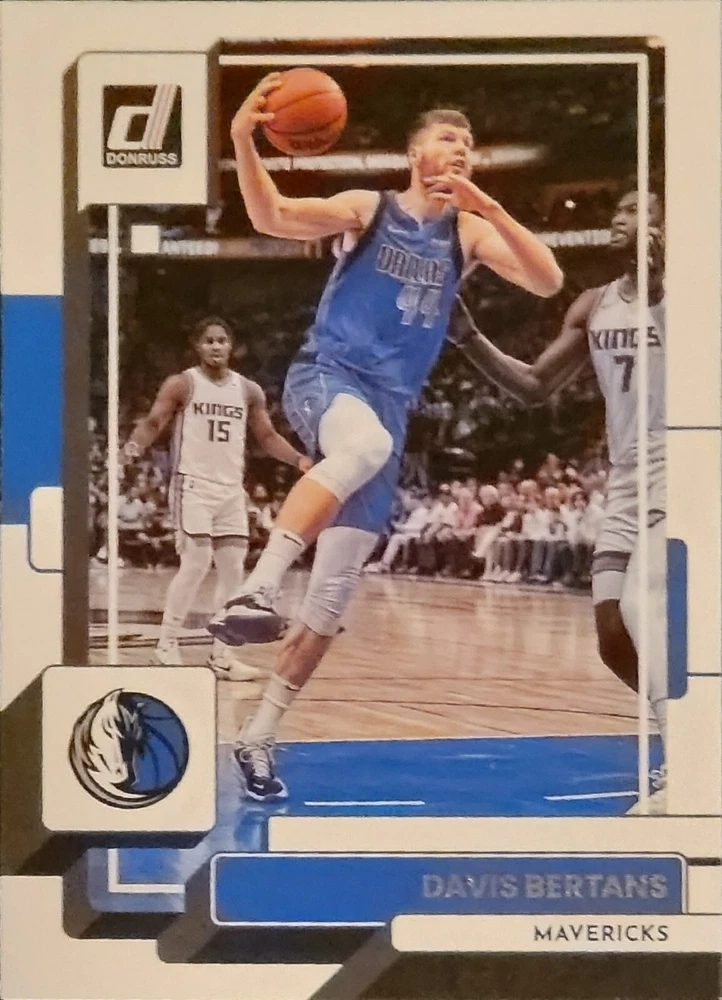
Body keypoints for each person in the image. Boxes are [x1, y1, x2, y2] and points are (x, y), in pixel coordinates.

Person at [210, 73, 563, 800]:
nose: (461, 149)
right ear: (414, 154)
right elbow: (273, 215)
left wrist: (490, 207)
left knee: (332, 599)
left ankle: (258, 737)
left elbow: (548, 282)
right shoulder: (369, 209)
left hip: (390, 411)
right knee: (361, 446)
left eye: (469, 143)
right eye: (447, 138)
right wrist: (244, 140)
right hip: (328, 375)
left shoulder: (468, 232)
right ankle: (257, 586)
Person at [451, 185, 667, 812]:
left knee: (645, 610)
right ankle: (694, 726)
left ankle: (685, 760)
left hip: (684, 469)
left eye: (638, 210)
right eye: (620, 209)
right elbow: (534, 386)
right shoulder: (592, 304)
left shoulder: (690, 289)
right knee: (612, 636)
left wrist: (662, 267)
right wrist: (467, 336)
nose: (621, 217)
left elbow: (660, 286)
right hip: (625, 479)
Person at [122, 316, 312, 681]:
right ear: (197, 346)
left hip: (229, 489)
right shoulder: (183, 383)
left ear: (231, 346)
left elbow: (267, 437)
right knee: (195, 563)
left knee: (233, 571)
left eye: (221, 340)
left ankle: (222, 655)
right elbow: (154, 421)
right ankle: (165, 647)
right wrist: (131, 448)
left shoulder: (248, 390)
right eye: (208, 340)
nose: (215, 346)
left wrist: (299, 460)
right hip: (193, 484)